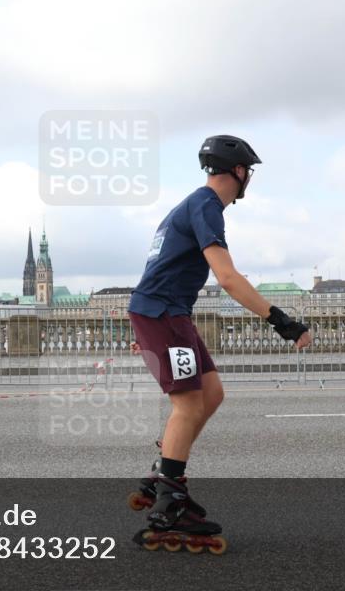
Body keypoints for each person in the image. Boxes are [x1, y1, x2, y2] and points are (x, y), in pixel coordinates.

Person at [128, 134, 312, 540]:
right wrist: (282, 321)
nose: (250, 180)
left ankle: (163, 471)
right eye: (250, 173)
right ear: (240, 172)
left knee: (211, 395)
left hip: (169, 314)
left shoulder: (193, 203)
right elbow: (226, 277)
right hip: (163, 314)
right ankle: (170, 503)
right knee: (189, 405)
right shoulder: (206, 206)